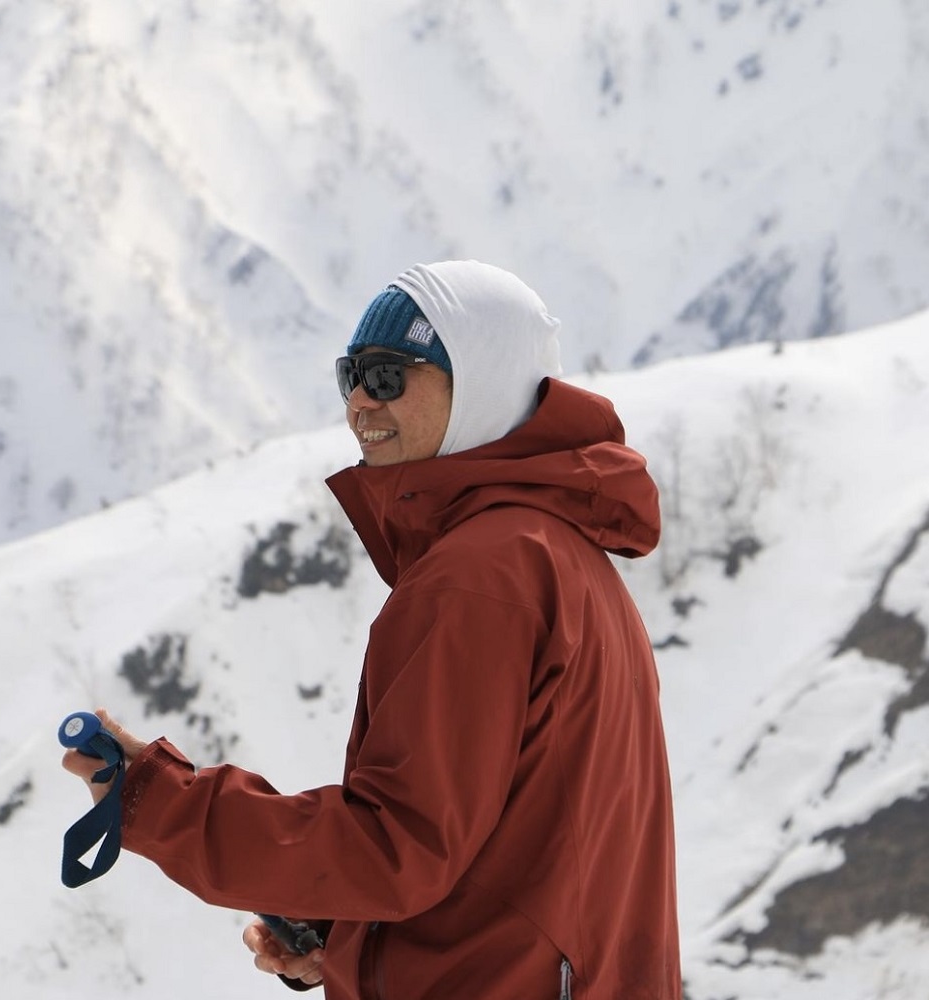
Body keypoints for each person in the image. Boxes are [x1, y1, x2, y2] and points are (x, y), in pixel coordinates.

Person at [63, 260, 681, 999]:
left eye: (388, 375)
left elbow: (396, 849)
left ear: (482, 382)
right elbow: (507, 847)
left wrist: (158, 799)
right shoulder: (560, 554)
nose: (359, 402)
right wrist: (346, 937)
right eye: (350, 375)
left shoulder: (480, 575)